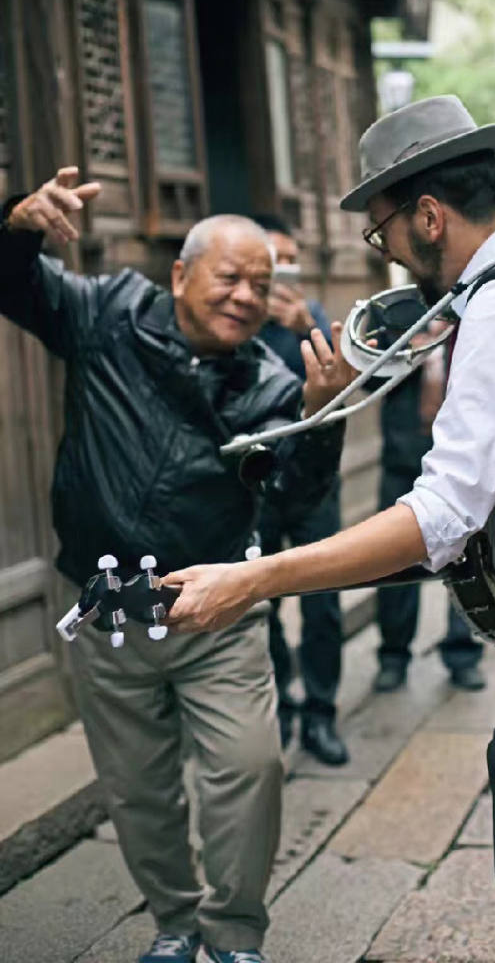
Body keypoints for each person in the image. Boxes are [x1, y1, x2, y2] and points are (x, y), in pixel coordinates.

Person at [163, 96, 495, 963]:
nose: (390, 254)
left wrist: (250, 578)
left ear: (429, 215)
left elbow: (441, 515)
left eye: (385, 233)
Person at [0, 167, 354, 963]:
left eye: (260, 285)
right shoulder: (105, 314)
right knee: (139, 786)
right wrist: (19, 225)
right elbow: (10, 281)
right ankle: (175, 921)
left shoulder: (268, 383)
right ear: (180, 274)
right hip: (113, 601)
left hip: (217, 603)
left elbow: (293, 507)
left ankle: (233, 936)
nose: (244, 297)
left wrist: (321, 421)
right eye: (229, 276)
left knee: (250, 766)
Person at [251, 212, 348, 766]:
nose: (280, 270)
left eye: (288, 259)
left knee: (323, 603)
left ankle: (321, 713)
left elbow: (339, 388)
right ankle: (281, 705)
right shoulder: (234, 319)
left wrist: (303, 325)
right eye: (271, 258)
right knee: (259, 600)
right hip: (259, 483)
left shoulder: (311, 319)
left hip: (312, 482)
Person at [374, 343, 485, 693]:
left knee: (467, 561)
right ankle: (393, 655)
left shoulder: (481, 304)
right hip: (402, 456)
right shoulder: (398, 314)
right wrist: (405, 350)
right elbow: (366, 380)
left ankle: (463, 654)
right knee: (390, 562)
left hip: (461, 461)